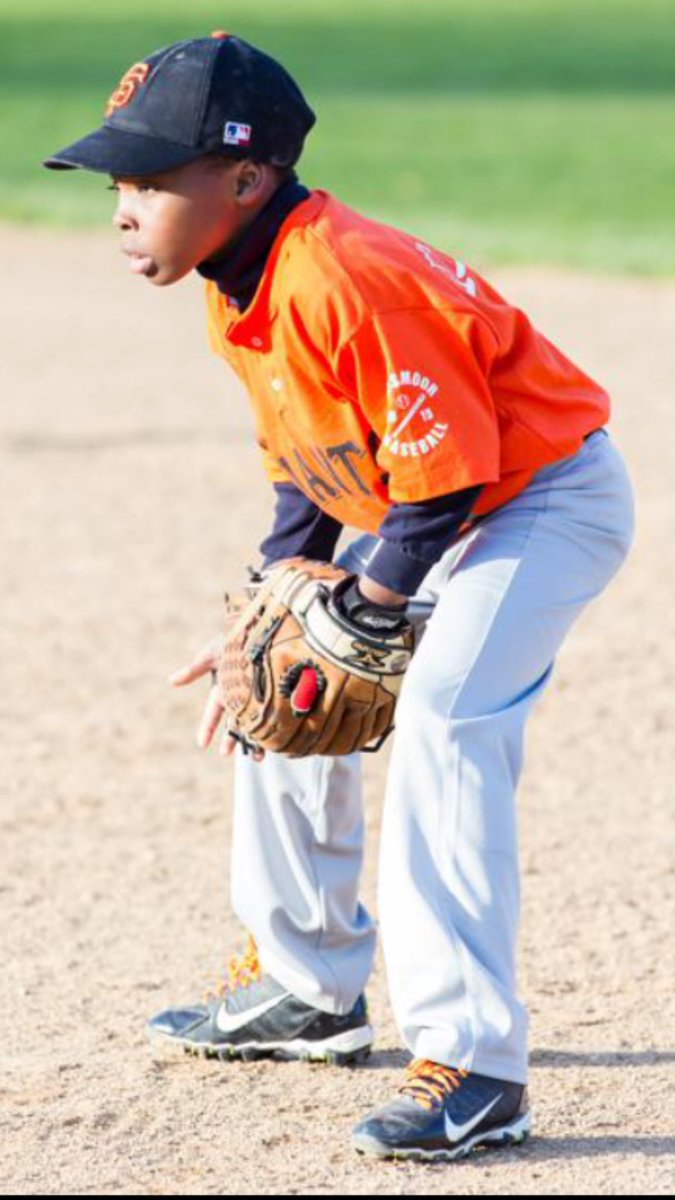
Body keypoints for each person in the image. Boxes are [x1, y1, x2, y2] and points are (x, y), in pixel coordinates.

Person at [44, 31, 635, 1163]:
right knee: (279, 671)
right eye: (120, 182)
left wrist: (365, 611)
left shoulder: (343, 277)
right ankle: (307, 984)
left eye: (154, 182)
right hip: (438, 495)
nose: (125, 207)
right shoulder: (241, 280)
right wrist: (277, 603)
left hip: (542, 498)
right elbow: (308, 469)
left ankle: (477, 1063)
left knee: (445, 719)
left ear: (247, 180)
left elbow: (448, 476)